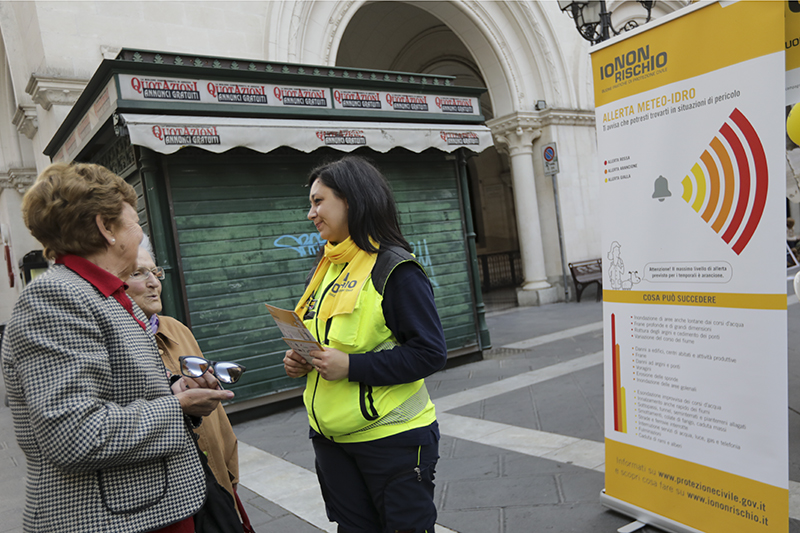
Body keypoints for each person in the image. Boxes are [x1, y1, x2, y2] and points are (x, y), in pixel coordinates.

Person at [1, 162, 232, 533]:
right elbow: (73, 434)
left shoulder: (102, 293)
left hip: (145, 510)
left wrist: (175, 386)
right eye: (134, 220)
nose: (140, 231)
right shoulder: (56, 297)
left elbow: (120, 387)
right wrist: (177, 407)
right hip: (116, 520)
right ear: (105, 228)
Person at [283, 156, 448, 533]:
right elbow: (326, 340)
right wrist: (301, 358)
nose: (311, 213)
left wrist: (352, 367)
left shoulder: (395, 269)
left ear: (352, 201)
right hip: (330, 441)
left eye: (318, 201)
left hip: (392, 441)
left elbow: (430, 353)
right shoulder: (328, 265)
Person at [126, 242, 250, 529]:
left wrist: (229, 471)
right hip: (172, 497)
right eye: (138, 273)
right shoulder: (121, 344)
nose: (153, 282)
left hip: (215, 481)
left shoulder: (176, 328)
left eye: (155, 272)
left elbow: (217, 419)